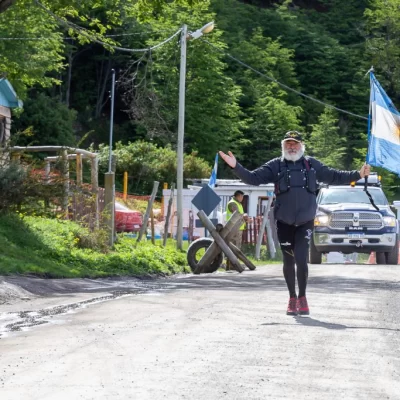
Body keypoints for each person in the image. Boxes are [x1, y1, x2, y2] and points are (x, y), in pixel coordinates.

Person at [219, 130, 370, 315]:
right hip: (284, 222)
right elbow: (253, 178)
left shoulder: (312, 165)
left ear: (301, 146)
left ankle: (303, 297)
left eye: (295, 144)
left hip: (305, 222)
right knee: (289, 260)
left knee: (301, 258)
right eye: (288, 144)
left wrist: (358, 174)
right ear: (283, 146)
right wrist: (235, 166)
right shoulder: (276, 166)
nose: (291, 147)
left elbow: (335, 175)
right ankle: (292, 298)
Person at [225, 190, 248, 271]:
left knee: (236, 247)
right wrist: (244, 216)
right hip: (233, 230)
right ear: (238, 196)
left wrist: (245, 219)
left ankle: (232, 265)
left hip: (237, 229)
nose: (242, 198)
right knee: (234, 247)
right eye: (242, 196)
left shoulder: (238, 203)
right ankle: (232, 265)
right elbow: (236, 214)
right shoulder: (232, 203)